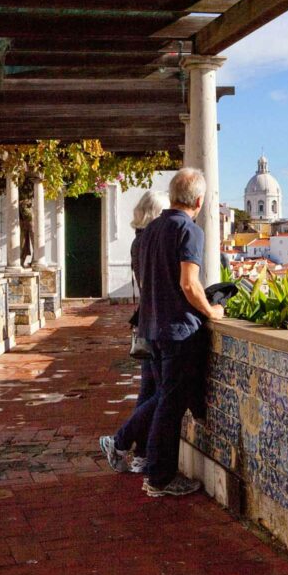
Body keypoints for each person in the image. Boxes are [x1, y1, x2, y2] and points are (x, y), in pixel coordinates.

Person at [100, 169, 224, 497]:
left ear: (172, 196)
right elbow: (188, 283)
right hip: (178, 332)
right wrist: (211, 311)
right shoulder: (189, 231)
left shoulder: (151, 229)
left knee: (162, 399)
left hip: (152, 328)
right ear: (199, 200)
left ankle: (134, 453)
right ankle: (159, 478)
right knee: (169, 405)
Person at [124, 189, 169, 474]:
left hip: (146, 323)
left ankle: (139, 454)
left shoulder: (137, 241)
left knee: (148, 390)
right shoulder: (150, 243)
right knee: (163, 392)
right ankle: (121, 440)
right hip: (157, 324)